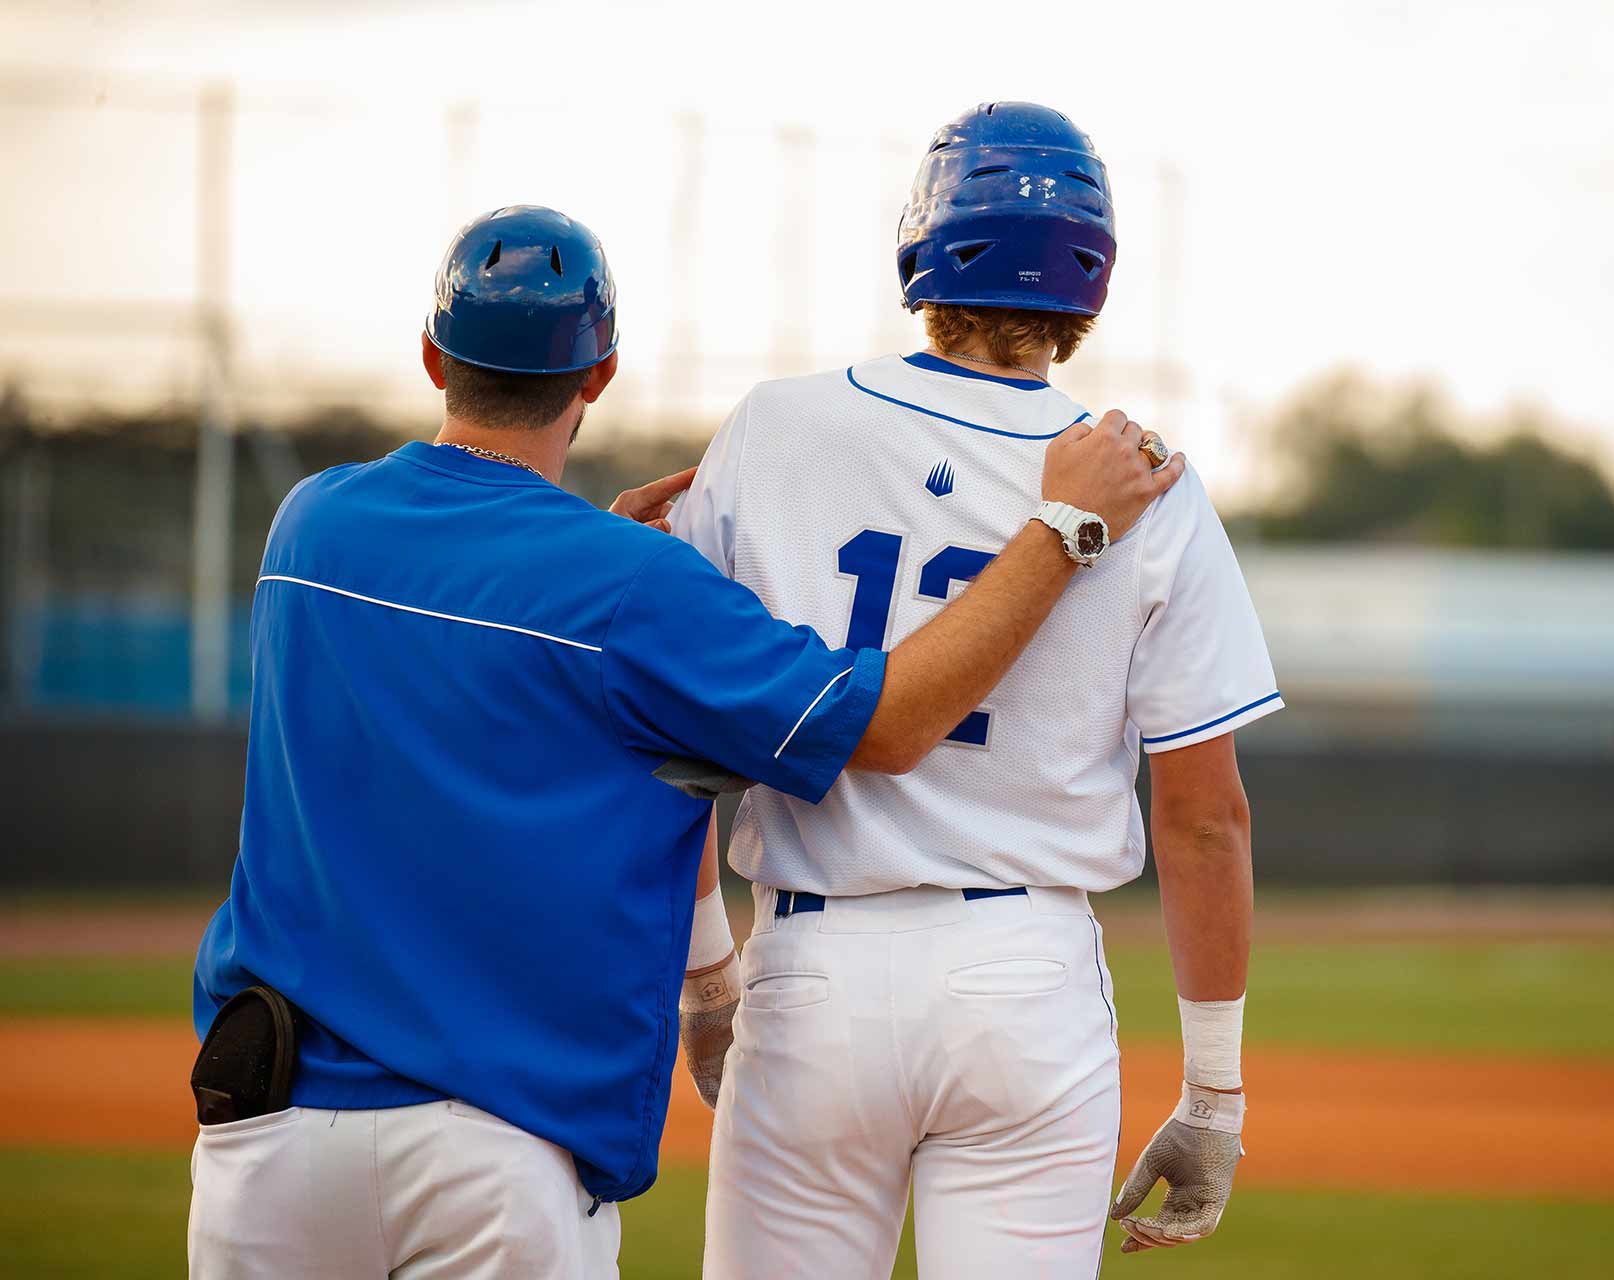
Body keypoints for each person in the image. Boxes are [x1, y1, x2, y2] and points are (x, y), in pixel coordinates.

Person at [185, 203, 1180, 1279]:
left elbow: (489, 648)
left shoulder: (308, 526)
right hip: (494, 1148)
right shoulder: (628, 589)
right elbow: (887, 725)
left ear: (433, 354)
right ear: (600, 373)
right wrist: (1063, 528)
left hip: (268, 1140)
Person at [661, 104, 1278, 1277]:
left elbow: (679, 740)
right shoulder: (1149, 481)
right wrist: (1213, 1092)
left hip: (814, 960)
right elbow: (1204, 814)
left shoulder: (775, 427)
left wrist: (706, 971)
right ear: (1091, 285)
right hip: (1026, 980)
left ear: (921, 249)